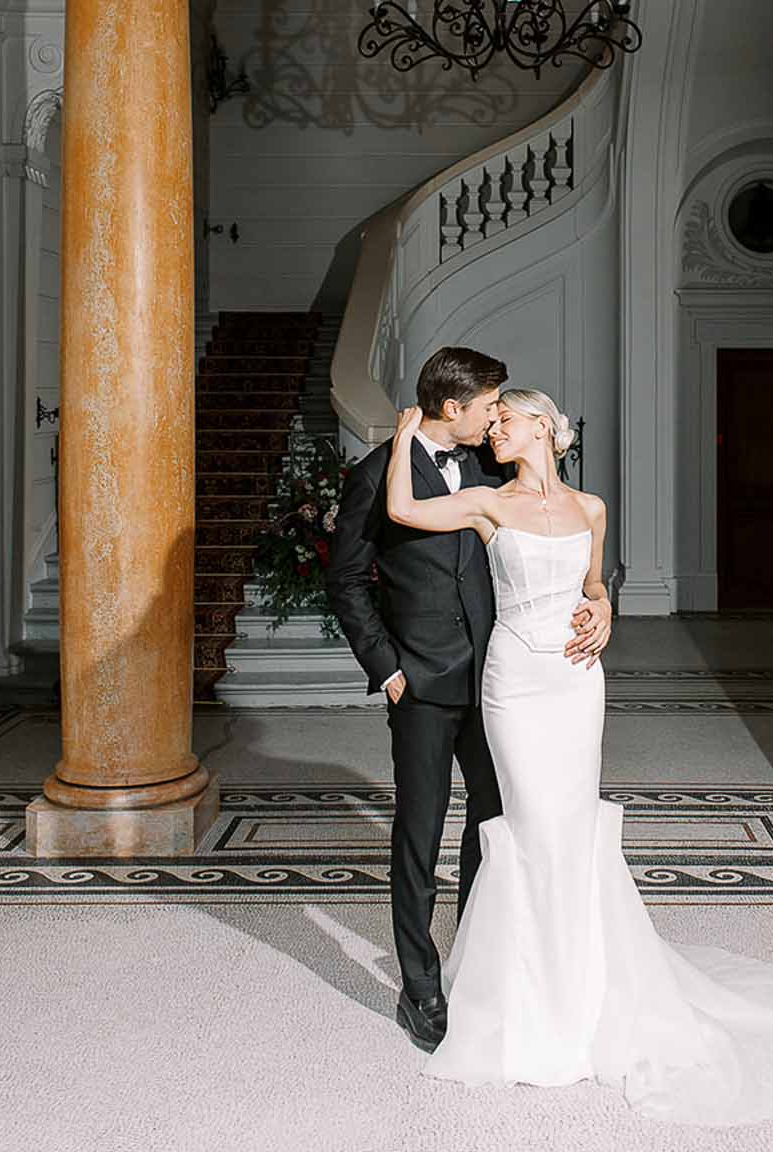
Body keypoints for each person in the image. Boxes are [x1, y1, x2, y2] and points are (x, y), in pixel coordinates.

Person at [383, 386, 773, 1129]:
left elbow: (594, 582)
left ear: (540, 425)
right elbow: (405, 512)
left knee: (571, 825)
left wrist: (602, 610)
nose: (492, 433)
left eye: (503, 421)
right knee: (531, 826)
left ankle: (587, 989)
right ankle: (527, 999)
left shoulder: (592, 509)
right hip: (514, 681)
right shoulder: (488, 502)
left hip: (577, 681)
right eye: (493, 424)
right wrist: (402, 437)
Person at [325, 347, 609, 1053]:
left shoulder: (492, 466)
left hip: (501, 682)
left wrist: (605, 606)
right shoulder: (374, 476)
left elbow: (574, 546)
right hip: (420, 685)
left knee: (494, 828)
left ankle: (476, 963)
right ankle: (420, 987)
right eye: (488, 407)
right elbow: (347, 581)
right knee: (418, 836)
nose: (494, 419)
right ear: (454, 408)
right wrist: (388, 669)